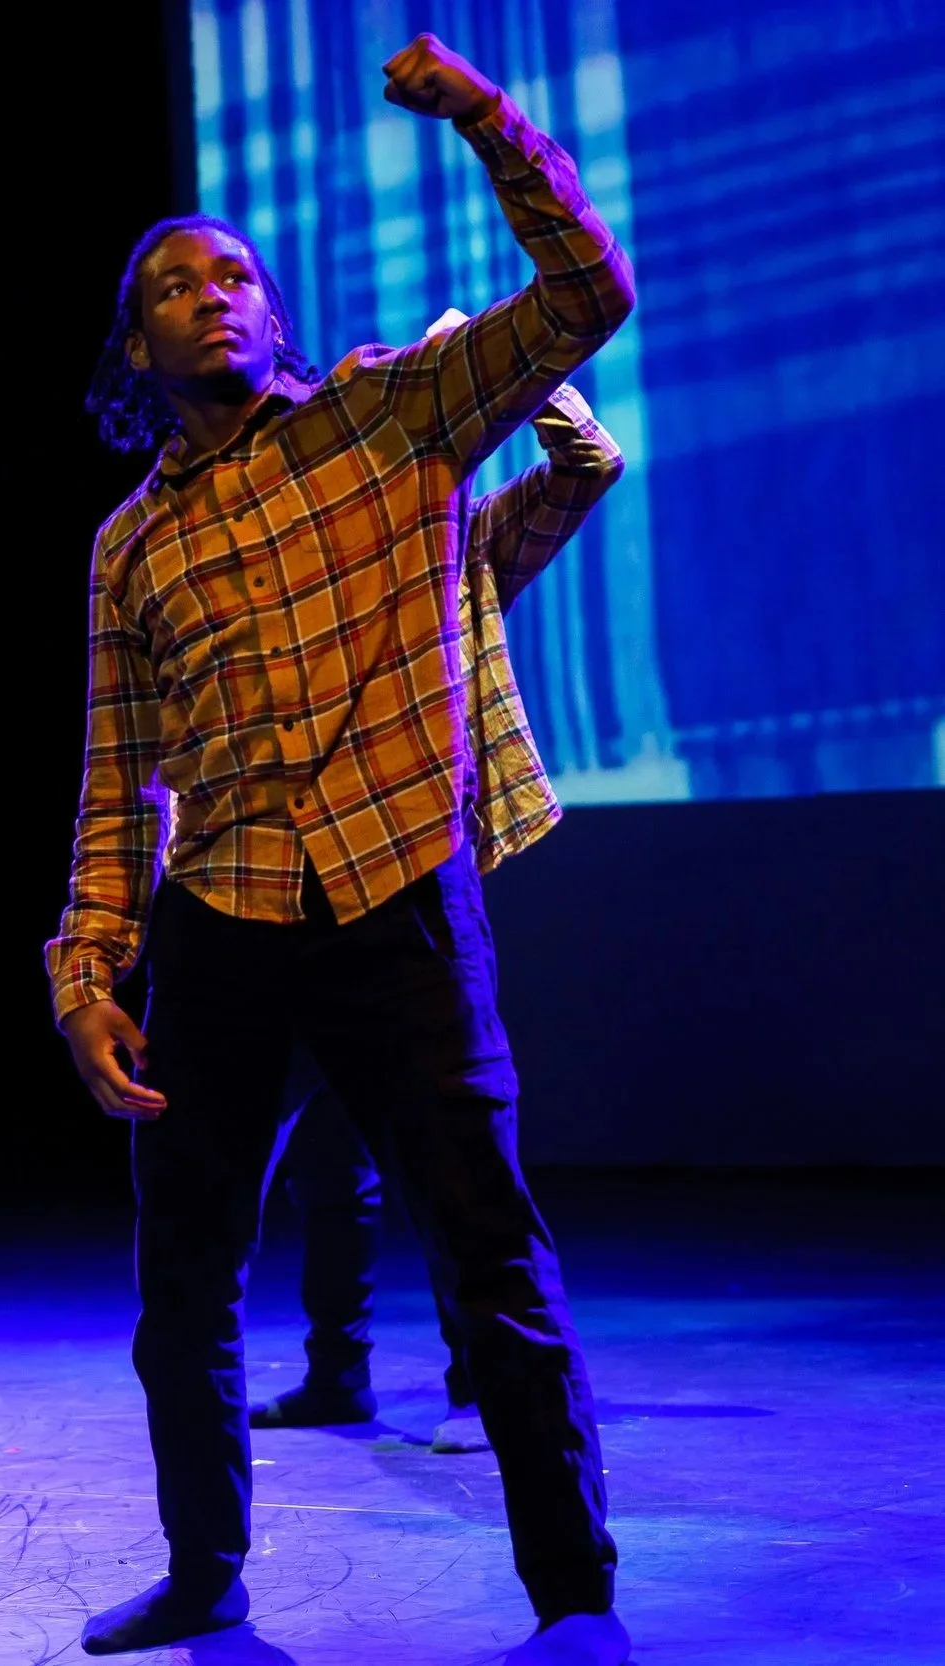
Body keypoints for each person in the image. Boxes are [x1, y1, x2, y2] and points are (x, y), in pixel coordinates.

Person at [48, 34, 635, 1663]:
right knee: (183, 1276)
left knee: (488, 1249)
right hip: (223, 917)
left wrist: (484, 117)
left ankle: (575, 1595)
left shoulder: (390, 414)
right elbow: (113, 778)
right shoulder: (128, 546)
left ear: (275, 310)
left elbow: (588, 291)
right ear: (138, 345)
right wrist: (86, 968)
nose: (210, 295)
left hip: (395, 891)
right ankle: (206, 1568)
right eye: (173, 286)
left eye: (233, 274)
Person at [257, 380, 624, 1459]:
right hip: (287, 884)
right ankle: (338, 1371)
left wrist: (524, 375)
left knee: (441, 1146)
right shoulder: (296, 561)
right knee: (329, 1154)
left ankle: (476, 1387)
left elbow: (588, 465)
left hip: (409, 871)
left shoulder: (457, 539)